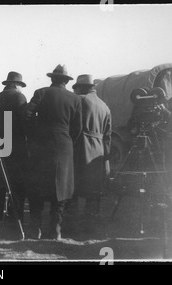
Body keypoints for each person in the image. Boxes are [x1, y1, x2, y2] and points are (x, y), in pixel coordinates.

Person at [24, 64, 82, 239]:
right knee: (61, 188)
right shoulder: (75, 99)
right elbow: (77, 129)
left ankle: (36, 229)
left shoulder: (41, 93)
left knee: (37, 187)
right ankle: (56, 230)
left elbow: (27, 114)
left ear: (52, 79)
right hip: (64, 147)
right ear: (66, 81)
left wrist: (34, 134)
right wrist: (66, 138)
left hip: (41, 145)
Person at [72, 74, 112, 233]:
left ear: (81, 87)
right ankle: (91, 224)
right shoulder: (105, 106)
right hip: (98, 152)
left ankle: (72, 224)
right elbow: (108, 136)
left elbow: (73, 126)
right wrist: (106, 158)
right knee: (93, 190)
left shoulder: (80, 100)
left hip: (80, 148)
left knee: (74, 187)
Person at [0, 71, 28, 227]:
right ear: (16, 85)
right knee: (17, 184)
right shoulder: (19, 98)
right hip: (15, 147)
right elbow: (24, 122)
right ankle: (14, 216)